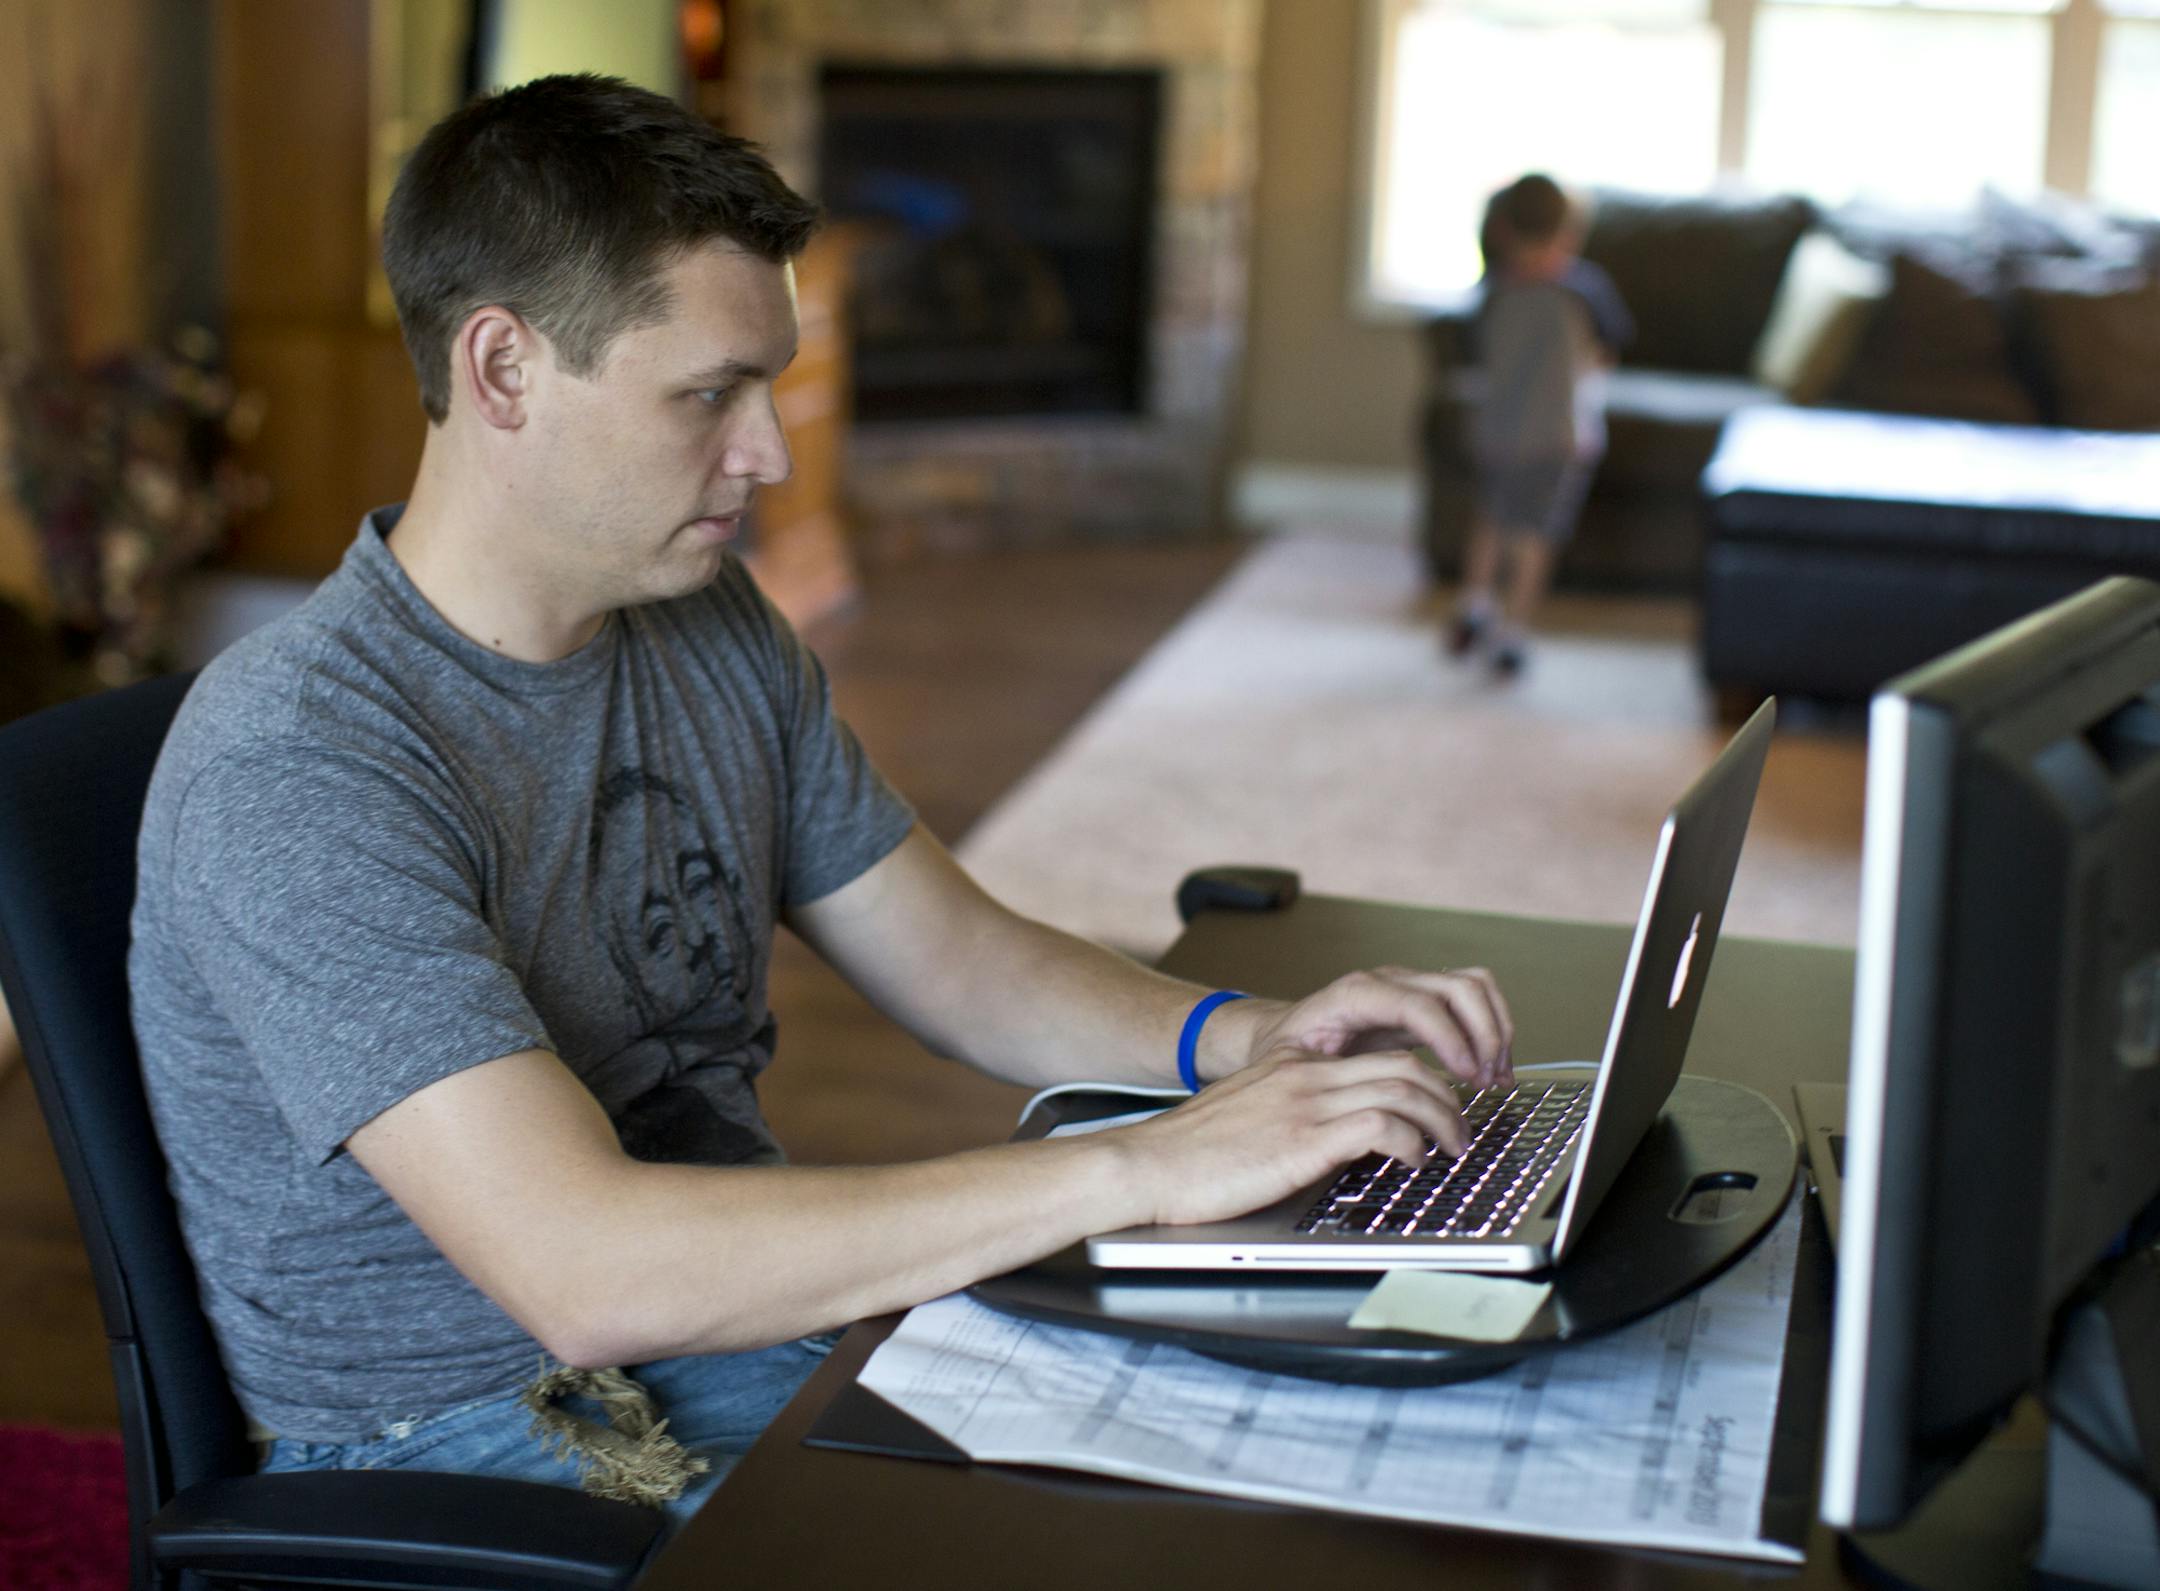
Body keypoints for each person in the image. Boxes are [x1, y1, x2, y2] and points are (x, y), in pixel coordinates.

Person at [126, 75, 1516, 1530]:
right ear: (504, 368)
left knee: (1302, 1440)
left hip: (749, 1332)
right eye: (709, 393)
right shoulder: (299, 763)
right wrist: (1148, 1166)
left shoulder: (703, 621)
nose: (772, 455)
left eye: (770, 387)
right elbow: (587, 1270)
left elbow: (958, 957)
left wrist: (1253, 1042)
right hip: (488, 1437)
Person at [1447, 174, 1632, 677]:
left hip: (1497, 433)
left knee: (1492, 517)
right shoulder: (1585, 289)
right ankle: (1512, 631)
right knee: (1533, 534)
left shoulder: (1493, 290)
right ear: (1569, 234)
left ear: (1502, 231)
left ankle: (1474, 604)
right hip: (1557, 439)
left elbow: (1475, 353)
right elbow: (1609, 350)